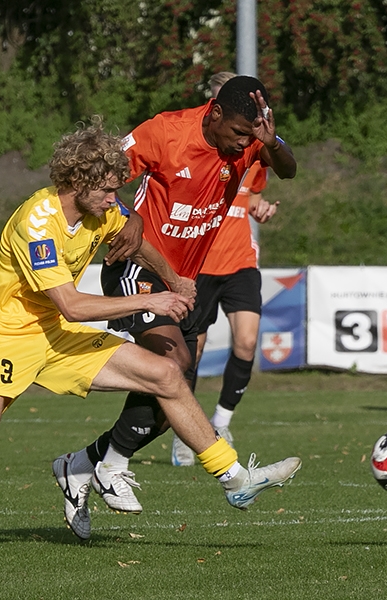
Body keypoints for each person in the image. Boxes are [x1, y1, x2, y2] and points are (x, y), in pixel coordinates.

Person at [0, 119, 301, 556]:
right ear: (77, 182)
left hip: (58, 335)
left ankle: (236, 480)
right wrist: (151, 302)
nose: (113, 199)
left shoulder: (100, 209)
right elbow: (73, 305)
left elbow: (135, 240)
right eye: (106, 190)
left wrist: (173, 279)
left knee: (166, 374)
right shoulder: (38, 223)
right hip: (7, 336)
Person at [53, 74, 298, 523]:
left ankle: (83, 465)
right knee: (176, 366)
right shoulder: (165, 132)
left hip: (187, 279)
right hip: (138, 268)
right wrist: (125, 216)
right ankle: (116, 466)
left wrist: (272, 141)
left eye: (251, 135)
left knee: (173, 396)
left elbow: (287, 169)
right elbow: (102, 176)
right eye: (238, 132)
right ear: (215, 111)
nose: (242, 143)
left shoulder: (249, 142)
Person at [170, 71, 280, 467]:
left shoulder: (251, 151)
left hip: (239, 262)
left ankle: (223, 421)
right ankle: (189, 432)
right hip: (199, 264)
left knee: (247, 342)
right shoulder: (195, 148)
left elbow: (247, 198)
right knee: (191, 353)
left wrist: (260, 209)